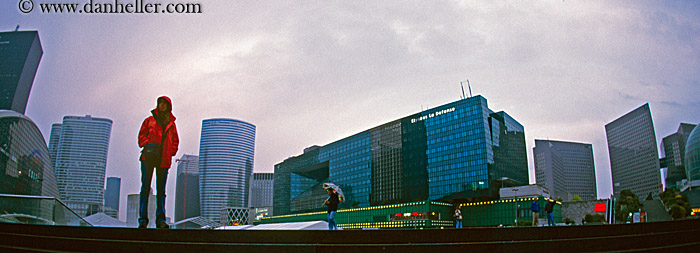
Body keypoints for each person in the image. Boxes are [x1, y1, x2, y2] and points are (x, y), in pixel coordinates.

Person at [137, 96, 179, 229]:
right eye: (160, 103)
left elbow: (175, 141)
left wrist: (170, 152)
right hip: (148, 157)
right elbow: (141, 137)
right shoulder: (149, 121)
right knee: (145, 189)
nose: (161, 105)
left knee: (161, 191)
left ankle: (160, 220)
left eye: (164, 104)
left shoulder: (171, 124)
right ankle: (143, 220)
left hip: (163, 159)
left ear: (168, 106)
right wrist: (148, 145)